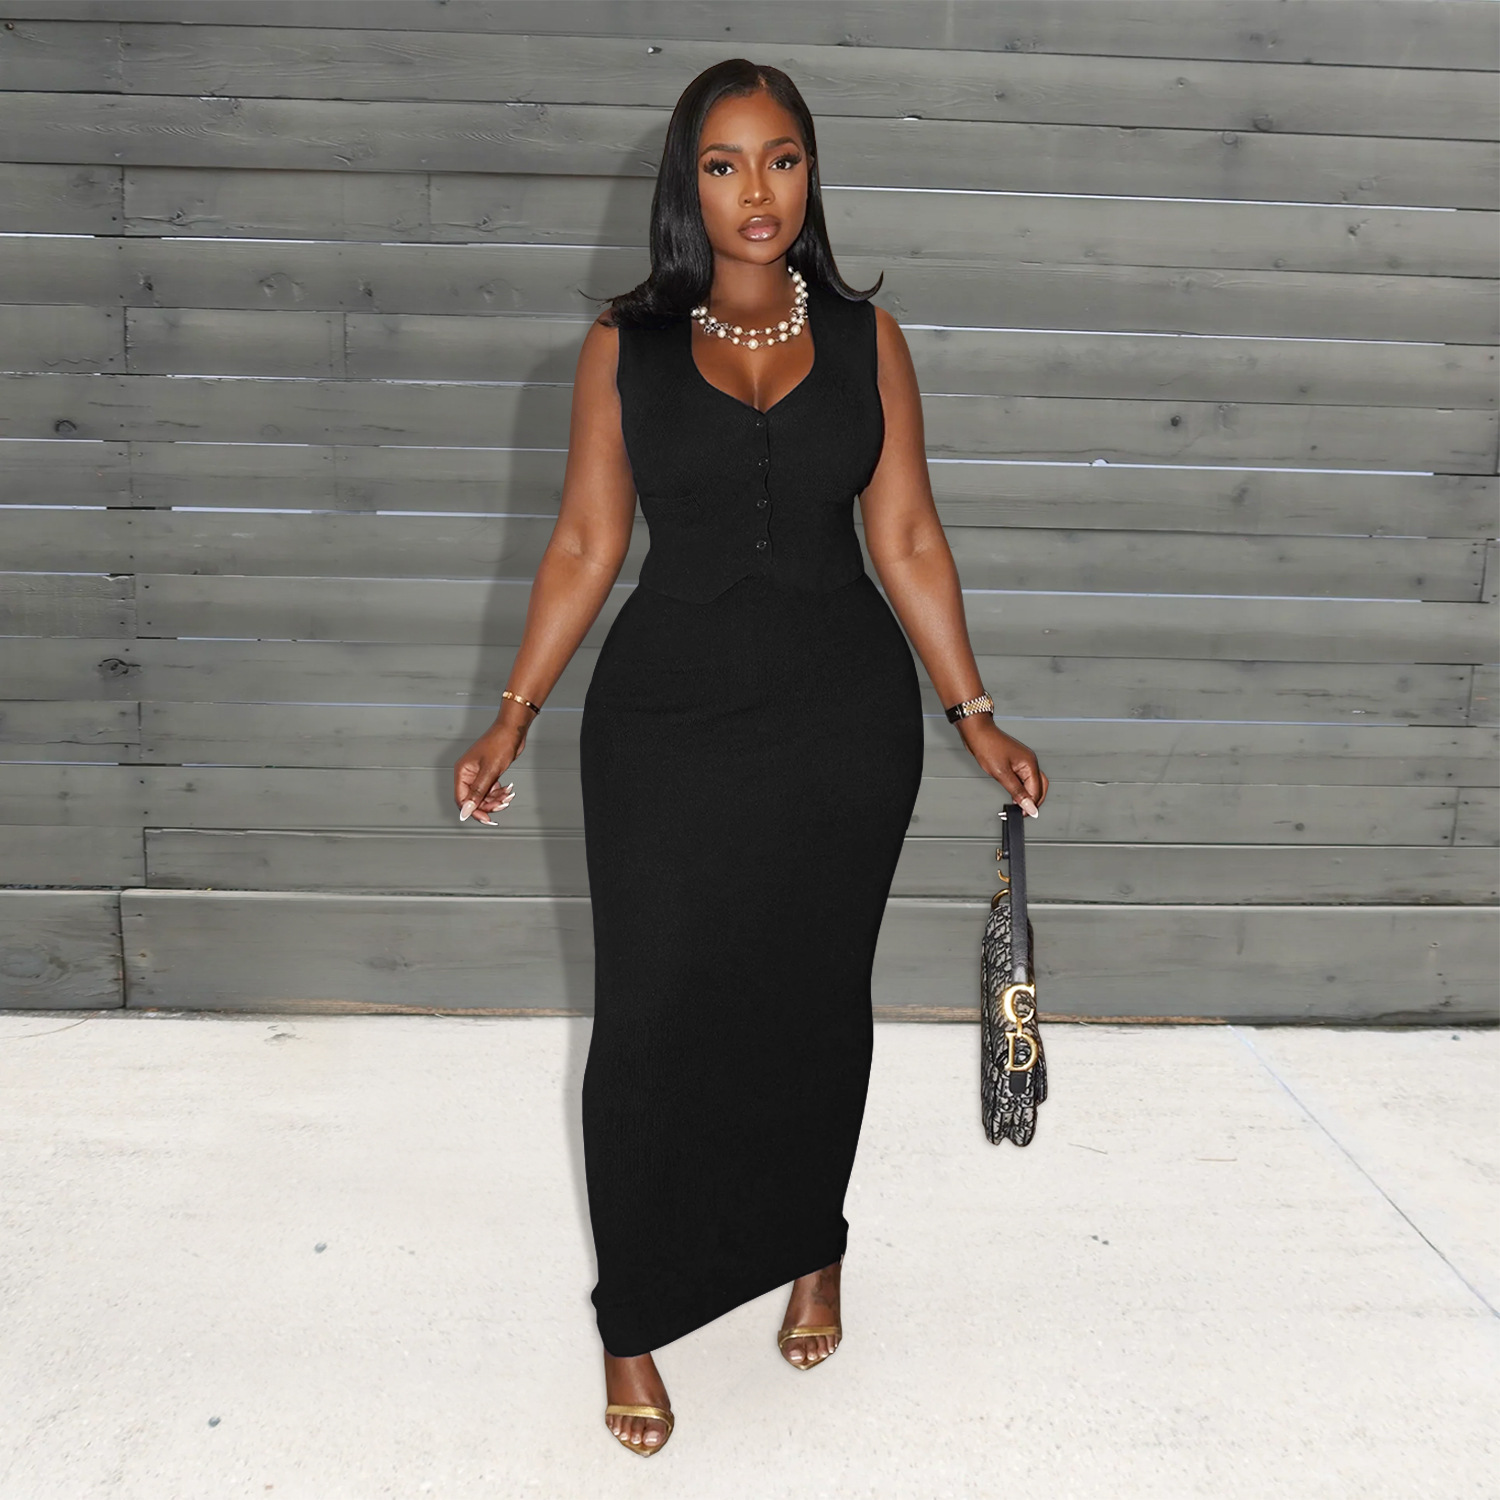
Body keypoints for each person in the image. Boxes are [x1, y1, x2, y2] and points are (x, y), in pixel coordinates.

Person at [453, 60, 1049, 1457]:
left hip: (844, 724)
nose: (757, 191)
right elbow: (586, 543)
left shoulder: (867, 337)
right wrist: (514, 712)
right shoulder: (625, 347)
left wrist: (973, 710)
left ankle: (811, 1246)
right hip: (664, 727)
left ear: (810, 172)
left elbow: (907, 535)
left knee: (814, 1000)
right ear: (689, 185)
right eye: (724, 166)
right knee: (652, 1014)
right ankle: (635, 1316)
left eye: (781, 159)